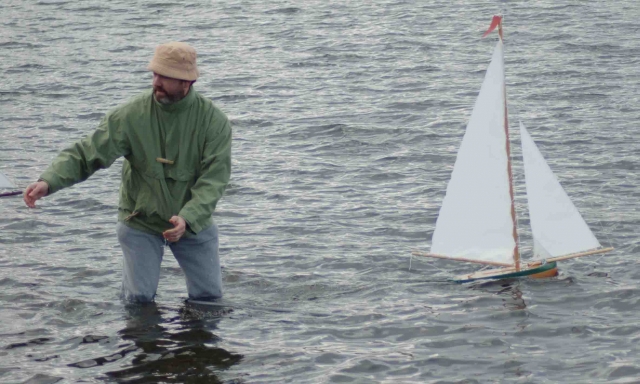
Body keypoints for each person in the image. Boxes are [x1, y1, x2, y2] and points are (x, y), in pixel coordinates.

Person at [23, 42, 232, 303]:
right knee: (139, 300)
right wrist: (48, 181)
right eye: (154, 73)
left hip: (193, 221)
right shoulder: (131, 115)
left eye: (164, 76)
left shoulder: (214, 122)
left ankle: (194, 343)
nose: (156, 81)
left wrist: (188, 219)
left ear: (186, 82)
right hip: (140, 219)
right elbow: (87, 152)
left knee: (209, 299)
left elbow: (214, 180)